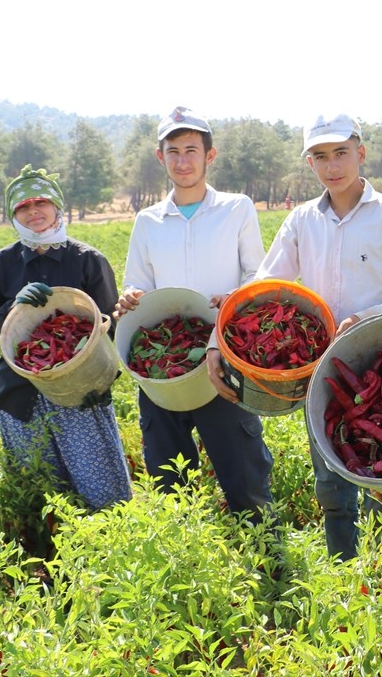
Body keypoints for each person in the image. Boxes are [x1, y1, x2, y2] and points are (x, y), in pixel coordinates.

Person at [207, 111, 382, 560]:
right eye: (321, 156)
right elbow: (265, 289)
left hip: (381, 371)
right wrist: (220, 340)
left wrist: (366, 318)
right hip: (324, 370)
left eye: (341, 153)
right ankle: (343, 576)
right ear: (309, 163)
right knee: (332, 478)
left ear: (361, 153)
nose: (332, 165)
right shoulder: (301, 221)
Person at [115, 107, 273, 518]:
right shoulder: (148, 221)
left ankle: (267, 563)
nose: (182, 161)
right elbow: (138, 282)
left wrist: (234, 297)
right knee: (169, 482)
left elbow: (257, 275)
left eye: (191, 150)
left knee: (244, 475)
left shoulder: (236, 209)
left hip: (222, 353)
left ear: (210, 155)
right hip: (163, 365)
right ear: (160, 157)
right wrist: (131, 296)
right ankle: (183, 563)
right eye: (173, 152)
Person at [0, 165, 131, 511]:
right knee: (40, 489)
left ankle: (105, 544)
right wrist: (12, 309)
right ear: (13, 215)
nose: (34, 212)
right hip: (21, 389)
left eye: (40, 203)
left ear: (57, 207)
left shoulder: (88, 260)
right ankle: (47, 555)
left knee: (102, 488)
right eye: (23, 207)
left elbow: (111, 320)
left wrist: (95, 356)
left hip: (79, 385)